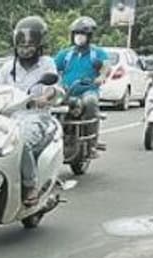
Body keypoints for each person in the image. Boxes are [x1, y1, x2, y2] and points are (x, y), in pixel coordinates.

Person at [0, 16, 65, 206]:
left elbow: (54, 87)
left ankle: (30, 184)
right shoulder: (8, 67)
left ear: (39, 45)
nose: (25, 49)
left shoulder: (47, 64)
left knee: (19, 140)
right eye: (21, 45)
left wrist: (46, 97)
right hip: (8, 117)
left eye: (30, 45)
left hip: (37, 117)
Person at [54, 16, 109, 156]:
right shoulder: (65, 54)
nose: (79, 37)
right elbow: (52, 68)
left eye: (82, 34)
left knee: (90, 103)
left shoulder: (97, 53)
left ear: (89, 36)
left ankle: (92, 144)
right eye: (76, 33)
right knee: (51, 106)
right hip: (67, 92)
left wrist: (101, 77)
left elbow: (106, 66)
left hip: (88, 91)